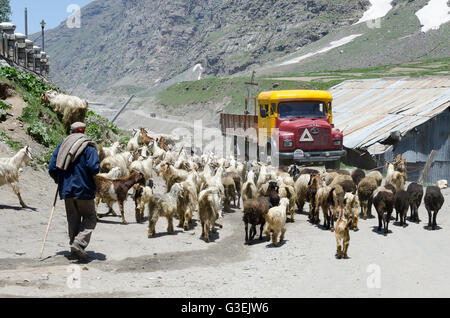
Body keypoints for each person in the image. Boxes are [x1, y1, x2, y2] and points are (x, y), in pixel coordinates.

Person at [48, 122, 100, 260]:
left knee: (73, 219)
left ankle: (74, 248)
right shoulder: (89, 147)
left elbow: (52, 167)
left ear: (71, 131)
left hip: (67, 189)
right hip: (84, 189)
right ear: (83, 132)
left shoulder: (62, 145)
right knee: (90, 218)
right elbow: (94, 167)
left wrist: (59, 180)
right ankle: (79, 243)